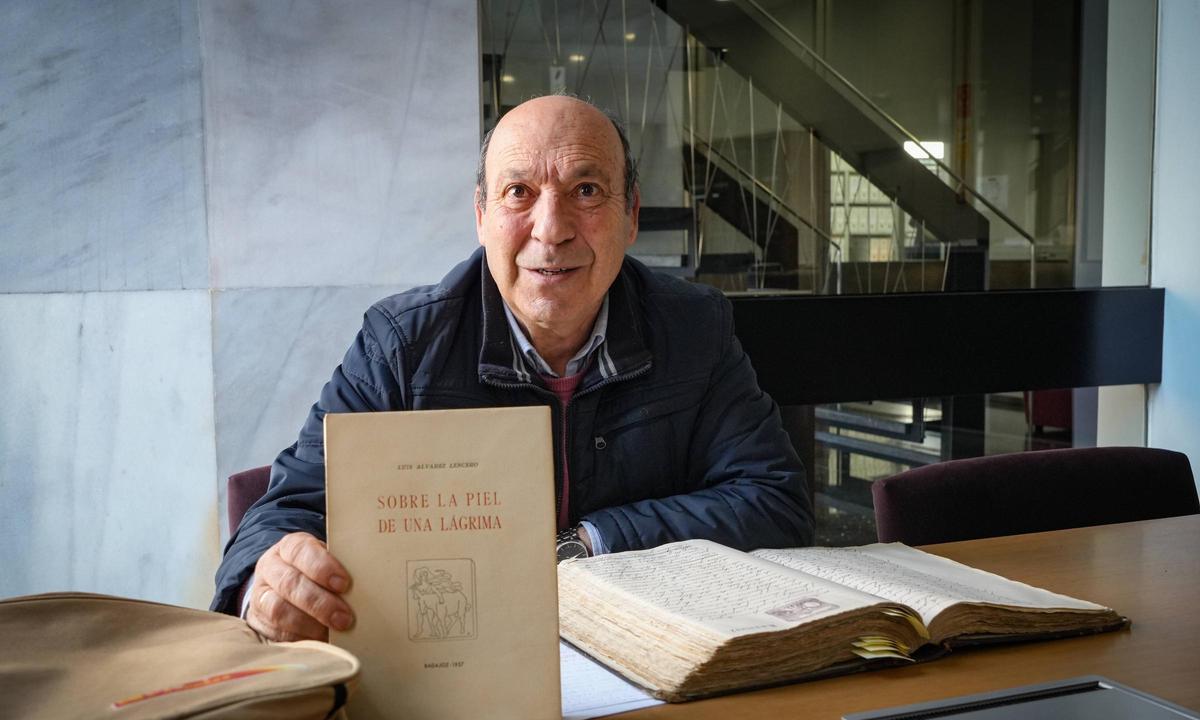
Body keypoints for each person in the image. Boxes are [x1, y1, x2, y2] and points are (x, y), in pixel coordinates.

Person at [212, 94, 814, 642]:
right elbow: (284, 509)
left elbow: (774, 502)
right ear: (481, 216)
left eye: (585, 191)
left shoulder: (693, 328)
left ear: (630, 215)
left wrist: (587, 543)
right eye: (519, 192)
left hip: (641, 658)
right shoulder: (403, 343)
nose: (550, 231)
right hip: (453, 658)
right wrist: (266, 583)